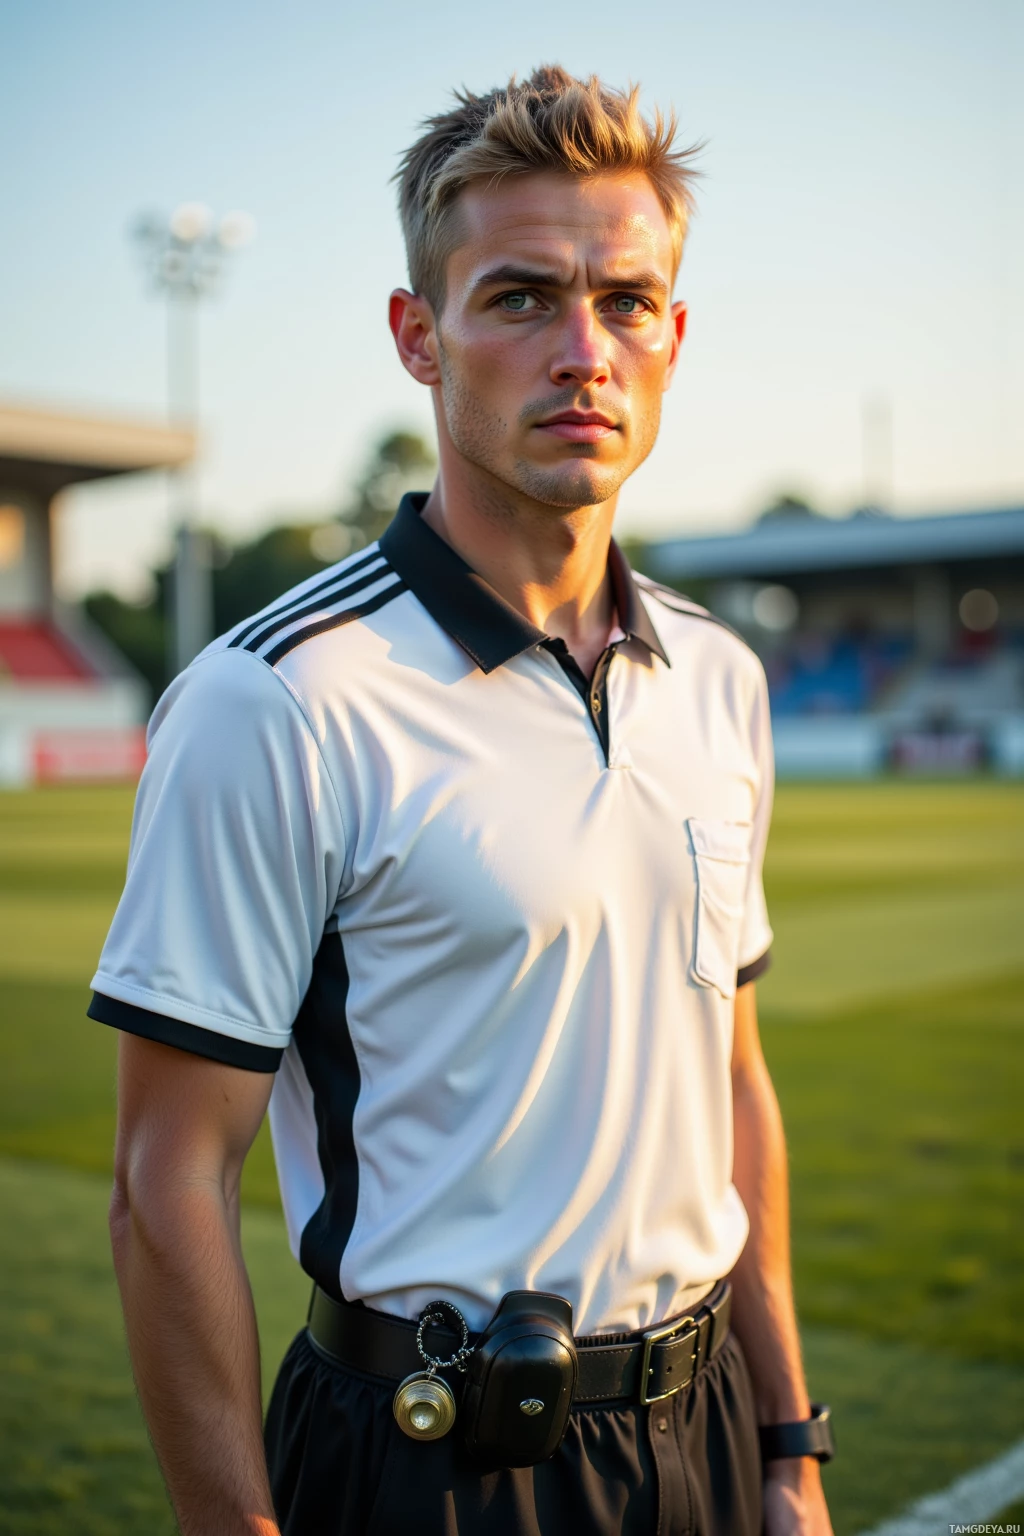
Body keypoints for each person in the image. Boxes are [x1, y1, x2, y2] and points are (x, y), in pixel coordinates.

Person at [89, 65, 835, 1536]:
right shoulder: (279, 701)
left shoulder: (721, 680)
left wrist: (787, 1446)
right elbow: (165, 1178)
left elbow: (732, 1091)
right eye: (519, 297)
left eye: (626, 302)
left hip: (699, 1448)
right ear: (418, 337)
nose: (584, 350)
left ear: (675, 338)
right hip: (429, 1462)